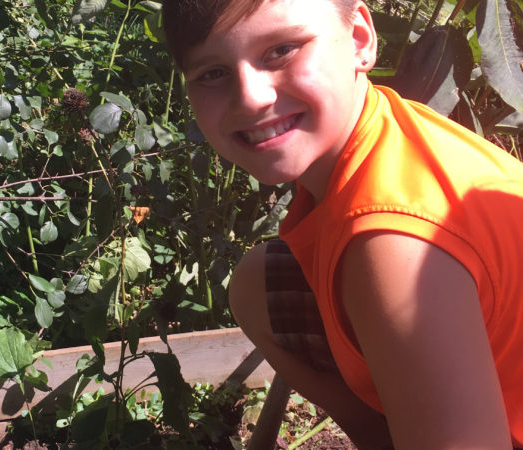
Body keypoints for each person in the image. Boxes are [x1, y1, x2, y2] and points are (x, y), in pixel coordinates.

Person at [161, 0, 523, 448]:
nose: (251, 97)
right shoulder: (381, 131)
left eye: (281, 50)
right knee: (260, 284)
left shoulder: (396, 245)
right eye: (212, 73)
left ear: (359, 39)